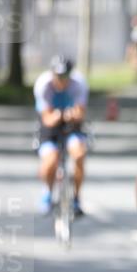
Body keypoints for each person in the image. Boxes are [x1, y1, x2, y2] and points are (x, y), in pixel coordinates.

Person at [33, 55, 89, 215]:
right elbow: (47, 118)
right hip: (50, 128)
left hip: (72, 126)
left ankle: (77, 197)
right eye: (58, 76)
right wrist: (60, 115)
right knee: (50, 160)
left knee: (79, 154)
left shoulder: (79, 84)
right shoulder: (43, 84)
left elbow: (80, 113)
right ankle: (48, 192)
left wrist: (70, 115)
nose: (61, 80)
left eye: (65, 76)